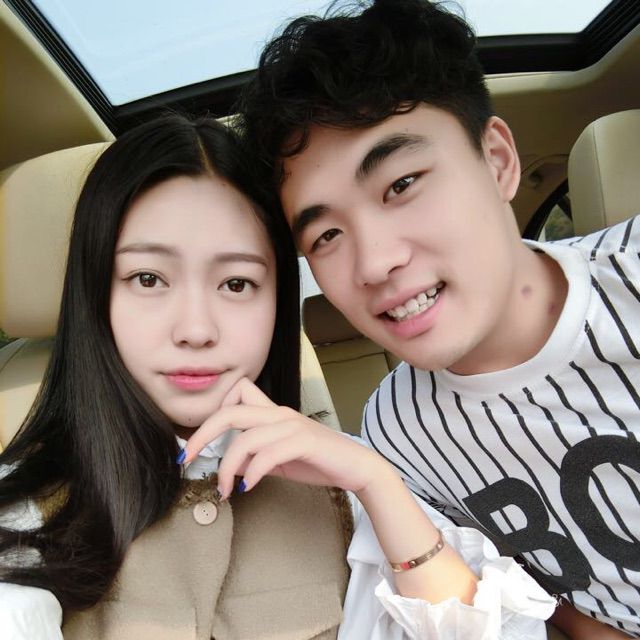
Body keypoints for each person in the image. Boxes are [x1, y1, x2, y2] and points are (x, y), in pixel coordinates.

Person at [0, 113, 553, 639]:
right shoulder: (24, 509)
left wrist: (378, 486)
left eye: (237, 284)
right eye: (148, 279)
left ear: (278, 303)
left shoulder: (345, 485)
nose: (196, 329)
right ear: (95, 294)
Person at [235, 0, 640, 638]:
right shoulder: (397, 434)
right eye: (327, 235)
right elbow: (561, 611)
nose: (375, 262)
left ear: (498, 161)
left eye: (402, 185)